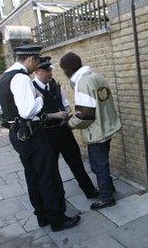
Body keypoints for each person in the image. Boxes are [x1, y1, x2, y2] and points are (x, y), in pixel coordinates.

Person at [0, 45, 80, 232]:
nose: (37, 66)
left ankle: (42, 216)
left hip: (16, 134)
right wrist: (38, 98)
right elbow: (28, 110)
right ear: (31, 59)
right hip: (33, 133)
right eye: (38, 61)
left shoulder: (1, 79)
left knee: (32, 175)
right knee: (48, 176)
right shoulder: (22, 77)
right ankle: (58, 220)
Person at [59, 52, 121, 210]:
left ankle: (106, 198)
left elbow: (86, 115)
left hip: (96, 132)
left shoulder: (83, 83)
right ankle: (109, 189)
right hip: (107, 127)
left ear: (67, 70)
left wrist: (70, 123)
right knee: (102, 163)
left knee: (98, 166)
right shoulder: (97, 77)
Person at [33, 56, 98, 199]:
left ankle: (90, 192)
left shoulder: (55, 85)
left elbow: (65, 102)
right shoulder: (32, 89)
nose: (50, 73)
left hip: (63, 130)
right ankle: (58, 199)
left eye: (50, 69)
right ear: (37, 71)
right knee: (51, 170)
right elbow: (34, 114)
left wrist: (67, 113)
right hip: (47, 134)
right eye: (46, 70)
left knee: (76, 162)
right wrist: (56, 115)